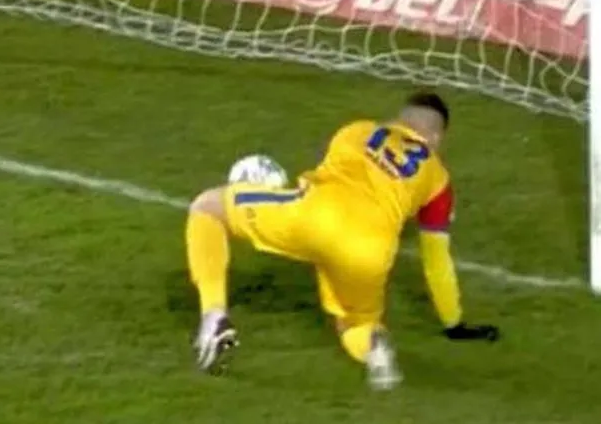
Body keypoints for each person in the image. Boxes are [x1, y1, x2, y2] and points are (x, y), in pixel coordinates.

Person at [184, 91, 499, 388]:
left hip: (317, 216)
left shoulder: (357, 129)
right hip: (372, 252)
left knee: (208, 208)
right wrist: (454, 323)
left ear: (399, 119)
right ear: (436, 138)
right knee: (354, 324)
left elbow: (326, 173)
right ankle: (374, 346)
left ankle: (214, 315)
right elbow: (436, 259)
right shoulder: (439, 181)